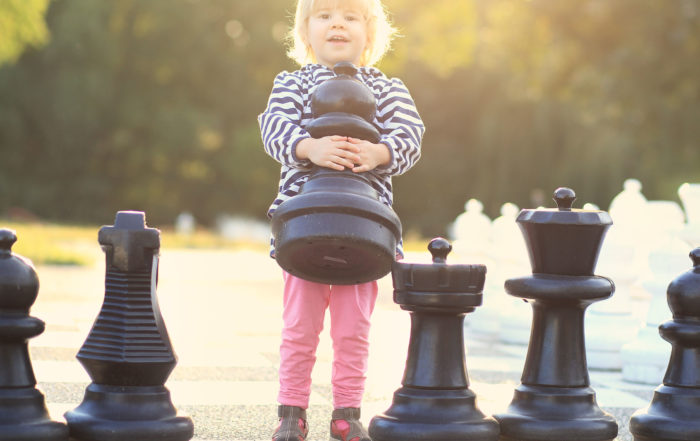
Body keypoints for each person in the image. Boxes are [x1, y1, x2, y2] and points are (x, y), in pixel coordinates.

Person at [258, 0, 424, 439]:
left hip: (364, 227)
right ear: (306, 32)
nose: (337, 23)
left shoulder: (387, 89)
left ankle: (346, 413)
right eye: (325, 15)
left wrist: (379, 153)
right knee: (299, 326)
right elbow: (272, 126)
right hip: (304, 226)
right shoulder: (292, 83)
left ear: (369, 33)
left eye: (351, 16)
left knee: (353, 330)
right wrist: (309, 148)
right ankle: (291, 412)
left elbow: (411, 134)